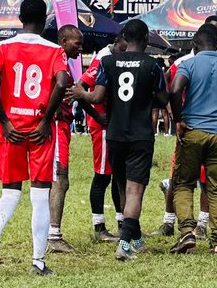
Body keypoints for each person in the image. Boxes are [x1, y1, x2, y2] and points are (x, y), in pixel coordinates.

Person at [0, 0, 71, 278]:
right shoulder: (54, 50)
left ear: (20, 18)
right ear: (45, 22)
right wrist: (45, 120)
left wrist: (4, 120)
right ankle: (38, 262)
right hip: (41, 132)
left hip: (12, 130)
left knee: (10, 192)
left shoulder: (2, 47)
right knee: (40, 196)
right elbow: (63, 82)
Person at [73, 19, 168, 262]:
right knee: (135, 191)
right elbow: (161, 99)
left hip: (114, 134)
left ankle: (135, 239)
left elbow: (96, 97)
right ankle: (124, 244)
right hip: (140, 135)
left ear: (124, 39)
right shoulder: (153, 65)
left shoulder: (108, 62)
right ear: (146, 39)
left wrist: (81, 93)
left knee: (121, 185)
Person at [168, 23, 217, 254]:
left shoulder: (188, 64)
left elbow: (174, 90)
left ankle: (186, 233)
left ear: (195, 43)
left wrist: (179, 119)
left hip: (192, 131)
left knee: (183, 183)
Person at [78, 36, 125, 242]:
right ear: (117, 42)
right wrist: (96, 115)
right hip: (103, 126)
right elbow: (79, 88)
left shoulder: (116, 58)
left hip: (117, 125)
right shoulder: (103, 59)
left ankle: (122, 222)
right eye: (124, 48)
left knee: (117, 175)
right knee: (103, 175)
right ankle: (99, 227)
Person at [47, 24, 84, 255]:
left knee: (57, 179)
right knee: (60, 178)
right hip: (57, 127)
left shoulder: (63, 61)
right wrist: (53, 110)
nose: (80, 48)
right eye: (77, 43)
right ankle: (53, 236)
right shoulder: (57, 59)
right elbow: (53, 85)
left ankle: (49, 232)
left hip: (63, 125)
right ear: (64, 42)